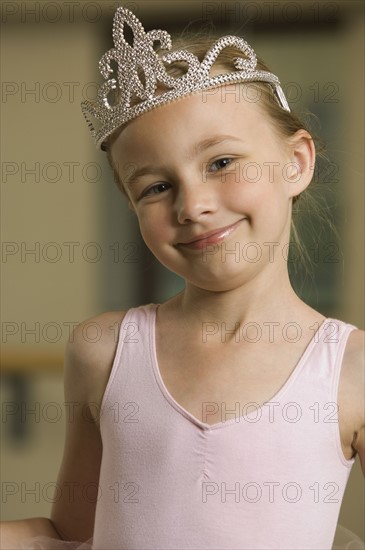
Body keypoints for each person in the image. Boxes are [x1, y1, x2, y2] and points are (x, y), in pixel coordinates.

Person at [2, 6, 364, 550]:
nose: (192, 205)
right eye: (154, 187)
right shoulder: (103, 351)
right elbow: (73, 537)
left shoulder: (352, 372)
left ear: (296, 162)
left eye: (221, 163)